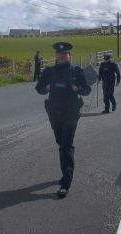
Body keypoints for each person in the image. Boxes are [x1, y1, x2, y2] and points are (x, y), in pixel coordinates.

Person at [35, 42, 91, 198]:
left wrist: (76, 89)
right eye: (59, 54)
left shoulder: (76, 71)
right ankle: (66, 172)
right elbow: (39, 89)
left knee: (66, 146)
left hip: (70, 113)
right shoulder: (49, 71)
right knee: (60, 143)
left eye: (65, 53)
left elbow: (87, 90)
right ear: (55, 55)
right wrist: (46, 88)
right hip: (54, 113)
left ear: (69, 55)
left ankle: (66, 182)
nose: (62, 55)